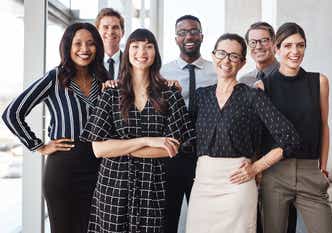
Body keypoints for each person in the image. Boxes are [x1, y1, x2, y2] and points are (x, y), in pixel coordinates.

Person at [80, 28, 195, 233]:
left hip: (153, 187)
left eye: (148, 46)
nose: (142, 52)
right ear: (128, 52)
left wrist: (118, 148)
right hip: (114, 186)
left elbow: (170, 148)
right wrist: (149, 141)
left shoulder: (171, 94)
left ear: (155, 53)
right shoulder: (111, 94)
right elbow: (98, 149)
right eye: (135, 46)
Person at [185, 33, 300, 233]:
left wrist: (256, 167)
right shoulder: (200, 96)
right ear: (213, 56)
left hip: (237, 184)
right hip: (203, 183)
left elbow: (290, 139)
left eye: (234, 56)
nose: (226, 60)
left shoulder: (252, 96)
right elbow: (188, 138)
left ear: (242, 62)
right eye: (221, 53)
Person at [2, 22, 109, 233]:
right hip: (63, 169)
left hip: (99, 167)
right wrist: (39, 146)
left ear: (98, 47)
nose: (84, 49)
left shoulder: (103, 79)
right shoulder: (55, 78)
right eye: (77, 43)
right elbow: (12, 113)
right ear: (68, 47)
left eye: (90, 43)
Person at [258, 22, 332, 233]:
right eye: (288, 45)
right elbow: (260, 135)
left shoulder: (319, 81)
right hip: (275, 173)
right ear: (277, 48)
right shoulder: (263, 86)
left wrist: (323, 167)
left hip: (310, 170)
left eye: (300, 45)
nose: (295, 51)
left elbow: (323, 125)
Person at [161, 15, 216, 233]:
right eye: (182, 32)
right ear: (176, 39)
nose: (189, 36)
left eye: (193, 31)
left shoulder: (216, 71)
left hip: (205, 155)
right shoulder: (162, 73)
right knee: (167, 219)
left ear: (201, 36)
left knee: (203, 220)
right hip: (172, 155)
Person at [240, 22, 297, 233]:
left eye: (264, 40)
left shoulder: (290, 77)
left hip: (283, 162)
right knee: (253, 222)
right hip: (253, 161)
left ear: (274, 44)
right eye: (253, 42)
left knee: (282, 226)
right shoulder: (243, 82)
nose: (259, 46)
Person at [95, 8, 125, 79]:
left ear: (123, 32)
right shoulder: (90, 63)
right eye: (105, 27)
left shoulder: (131, 63)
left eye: (115, 27)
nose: (110, 32)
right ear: (97, 32)